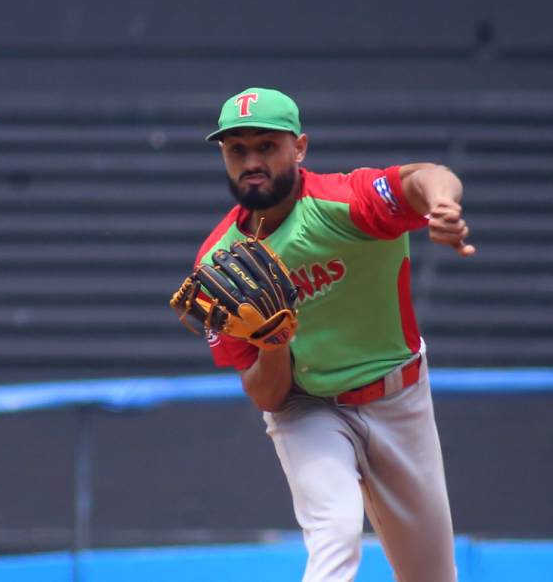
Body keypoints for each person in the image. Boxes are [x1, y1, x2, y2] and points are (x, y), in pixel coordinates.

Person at [194, 87, 475, 582]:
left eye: (266, 145)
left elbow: (427, 175)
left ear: (299, 148)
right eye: (237, 149)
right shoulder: (218, 264)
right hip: (308, 407)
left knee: (433, 576)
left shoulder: (345, 202)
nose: (251, 161)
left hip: (399, 396)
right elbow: (265, 395)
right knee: (336, 533)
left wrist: (442, 204)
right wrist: (272, 344)